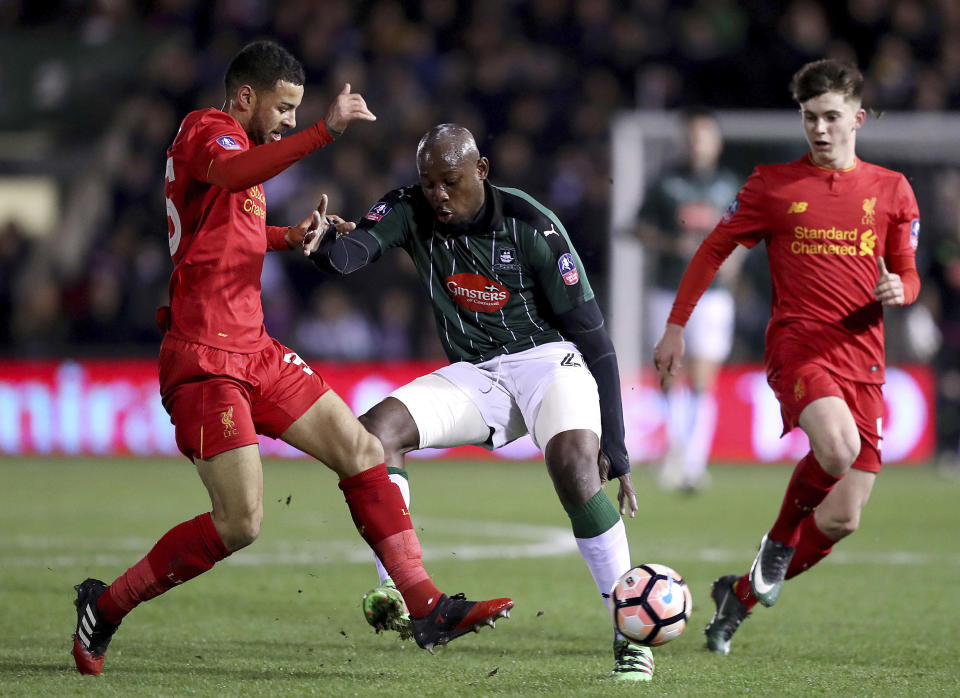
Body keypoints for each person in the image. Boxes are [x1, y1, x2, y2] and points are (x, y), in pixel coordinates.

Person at [71, 41, 513, 676]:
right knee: (240, 522)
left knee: (362, 450)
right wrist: (323, 131)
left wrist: (289, 236)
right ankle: (107, 604)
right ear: (246, 96)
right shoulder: (208, 132)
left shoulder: (240, 153)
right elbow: (228, 178)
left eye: (296, 112)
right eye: (283, 108)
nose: (285, 120)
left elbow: (228, 231)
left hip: (256, 349)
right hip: (206, 360)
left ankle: (427, 605)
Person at [308, 124, 651, 681]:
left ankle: (630, 632)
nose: (437, 195)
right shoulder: (409, 207)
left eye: (450, 181)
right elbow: (350, 255)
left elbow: (595, 341)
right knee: (373, 434)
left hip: (548, 360)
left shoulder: (531, 224)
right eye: (428, 183)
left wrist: (616, 443)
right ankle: (400, 591)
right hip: (476, 373)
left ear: (481, 171)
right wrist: (320, 242)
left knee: (572, 465)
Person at [653, 59, 921, 654]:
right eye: (809, 118)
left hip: (865, 364)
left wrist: (904, 288)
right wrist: (676, 326)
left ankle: (738, 597)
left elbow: (908, 271)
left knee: (842, 519)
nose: (819, 129)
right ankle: (776, 543)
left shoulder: (892, 190)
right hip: (800, 348)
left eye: (830, 117)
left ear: (857, 117)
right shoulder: (773, 185)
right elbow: (712, 250)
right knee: (837, 446)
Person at [635, 108, 745, 492]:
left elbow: (748, 234)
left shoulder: (730, 185)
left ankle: (693, 462)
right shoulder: (665, 183)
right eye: (693, 137)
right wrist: (671, 243)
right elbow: (639, 227)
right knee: (669, 374)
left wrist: (735, 259)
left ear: (716, 142)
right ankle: (676, 451)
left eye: (705, 137)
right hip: (668, 288)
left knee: (703, 378)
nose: (698, 144)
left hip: (713, 295)